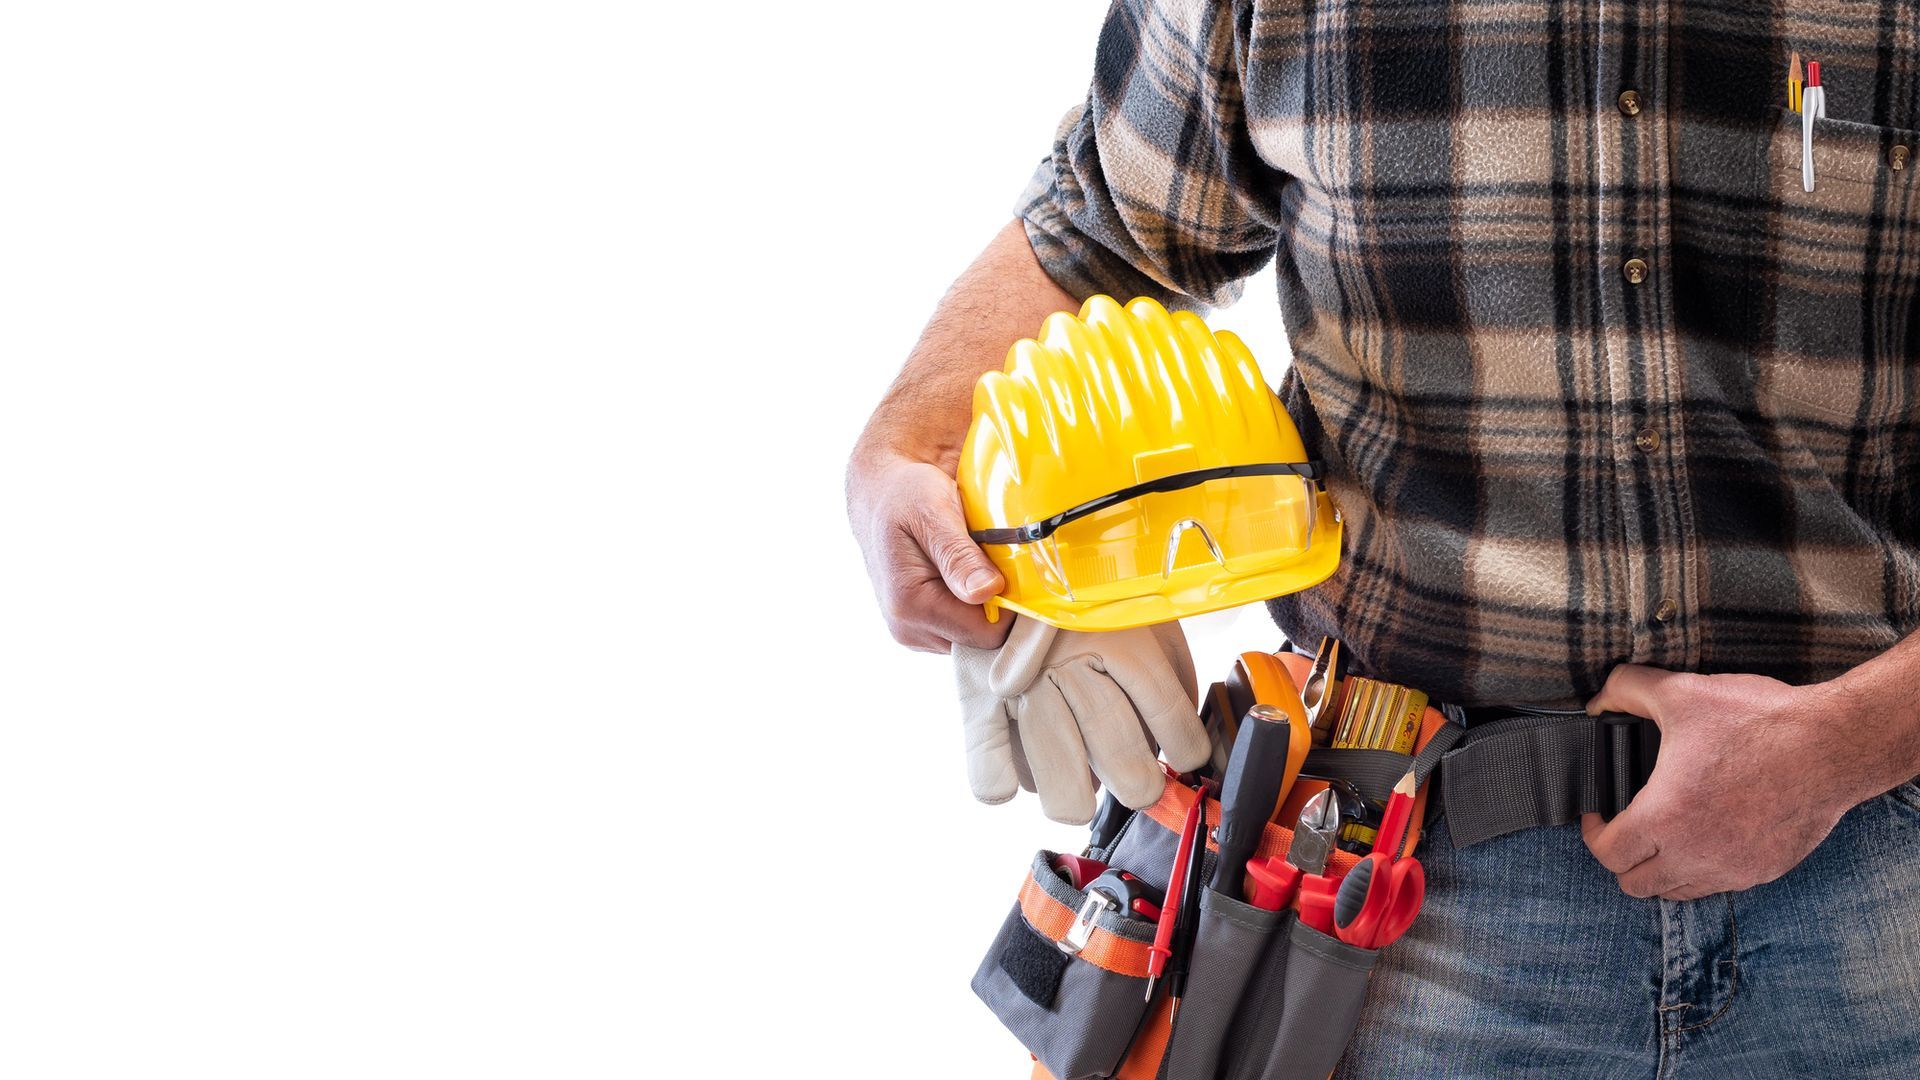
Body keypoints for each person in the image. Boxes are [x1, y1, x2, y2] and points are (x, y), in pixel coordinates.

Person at [846, 1, 1920, 1073]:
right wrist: (901, 450)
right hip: (1399, 891)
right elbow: (1103, 226)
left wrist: (1849, 744)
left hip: (1876, 868)